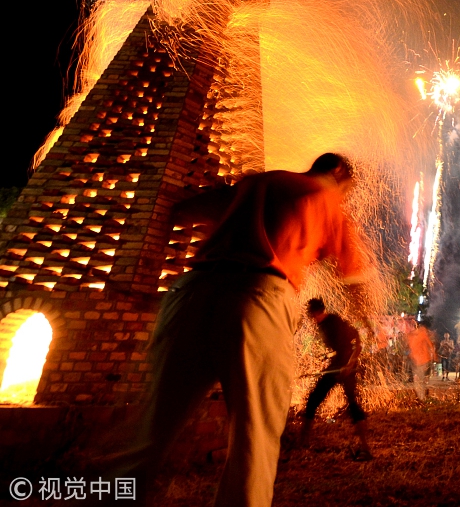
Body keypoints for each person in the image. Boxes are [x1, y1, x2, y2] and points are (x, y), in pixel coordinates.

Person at [108, 153, 370, 507]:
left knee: (150, 432)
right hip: (256, 299)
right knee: (254, 440)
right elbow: (354, 277)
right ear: (338, 173)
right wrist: (368, 321)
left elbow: (181, 210)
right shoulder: (326, 196)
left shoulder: (255, 183)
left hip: (188, 294)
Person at [301, 298, 371, 460]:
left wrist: (350, 364)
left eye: (312, 315)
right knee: (313, 399)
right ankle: (302, 443)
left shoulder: (334, 321)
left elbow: (356, 341)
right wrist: (329, 359)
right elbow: (338, 348)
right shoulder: (322, 325)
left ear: (316, 312)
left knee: (352, 404)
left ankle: (365, 448)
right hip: (337, 364)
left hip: (345, 366)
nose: (312, 319)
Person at [407, 322, 435, 400]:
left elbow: (429, 345)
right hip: (417, 361)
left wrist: (433, 356)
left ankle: (422, 397)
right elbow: (411, 348)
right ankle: (421, 397)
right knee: (418, 379)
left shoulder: (421, 333)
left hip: (422, 361)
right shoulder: (411, 336)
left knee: (420, 379)